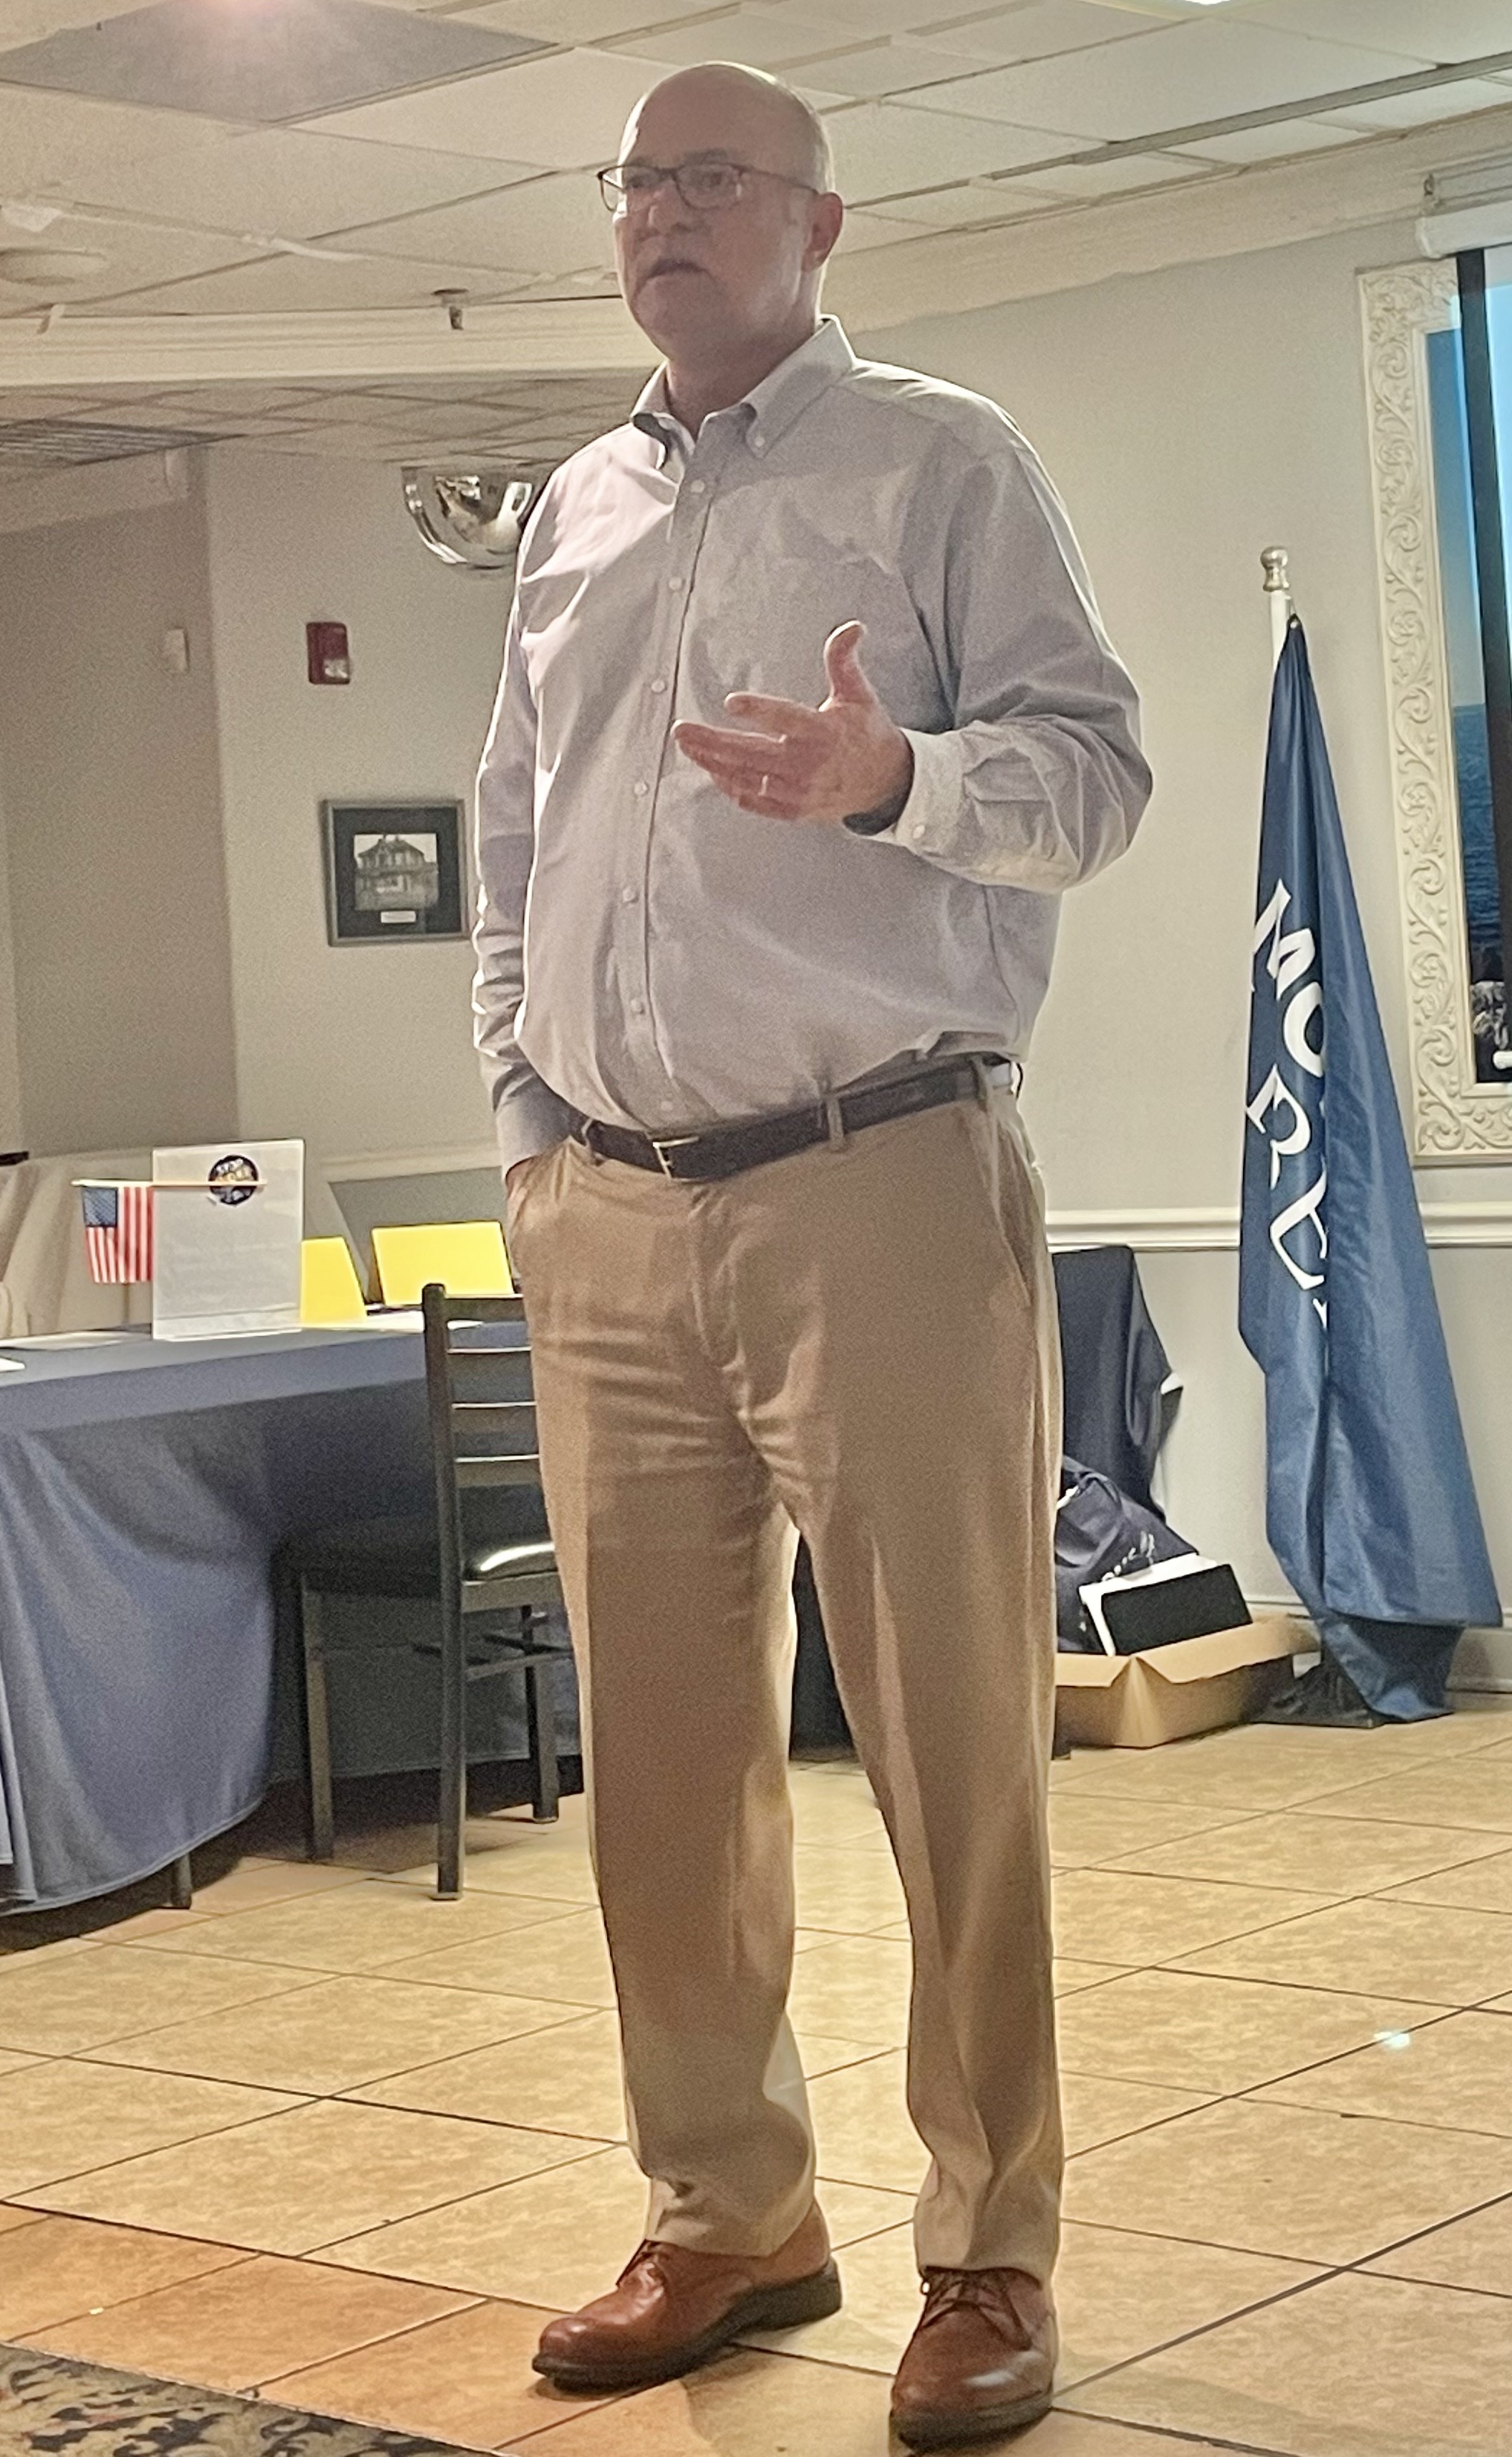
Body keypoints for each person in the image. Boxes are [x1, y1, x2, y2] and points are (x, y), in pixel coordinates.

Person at [473, 59, 1149, 2451]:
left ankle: (991, 2250)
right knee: (662, 1765)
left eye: (712, 176)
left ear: (820, 223)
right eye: (635, 183)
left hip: (879, 1177)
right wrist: (529, 1127)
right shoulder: (572, 504)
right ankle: (730, 2213)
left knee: (952, 1742)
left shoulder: (945, 464)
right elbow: (517, 835)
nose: (662, 213)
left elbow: (1097, 777)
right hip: (610, 1208)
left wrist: (897, 781)